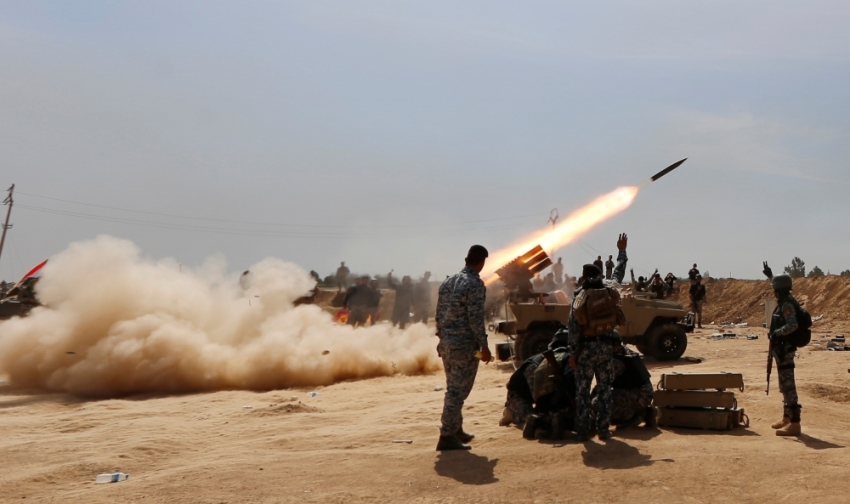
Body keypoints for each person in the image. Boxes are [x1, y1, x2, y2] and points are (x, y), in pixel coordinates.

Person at [568, 233, 628, 442]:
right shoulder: (609, 289)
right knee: (604, 390)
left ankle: (584, 430)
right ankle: (603, 429)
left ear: (583, 277)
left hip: (585, 350)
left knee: (583, 391)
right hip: (605, 348)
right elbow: (619, 271)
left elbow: (573, 326)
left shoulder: (580, 295)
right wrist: (622, 250)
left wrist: (573, 353)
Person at [435, 245, 491, 451]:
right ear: (482, 262)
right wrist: (484, 345)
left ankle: (456, 428)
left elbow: (438, 314)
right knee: (457, 391)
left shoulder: (448, 282)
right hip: (464, 346)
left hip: (448, 344)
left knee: (454, 386)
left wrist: (441, 338)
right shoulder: (474, 284)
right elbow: (475, 318)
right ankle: (447, 435)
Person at [762, 262, 804, 437]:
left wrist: (777, 333)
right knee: (784, 385)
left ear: (779, 290)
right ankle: (786, 418)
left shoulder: (787, 305)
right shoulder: (786, 300)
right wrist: (770, 276)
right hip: (781, 350)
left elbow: (793, 325)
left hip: (785, 350)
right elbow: (779, 284)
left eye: (775, 288)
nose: (773, 291)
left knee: (789, 387)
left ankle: (795, 424)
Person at [603, 344, 656, 428]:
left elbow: (603, 386)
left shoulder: (615, 361)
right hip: (645, 393)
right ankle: (645, 411)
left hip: (638, 394)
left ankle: (633, 417)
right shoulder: (625, 352)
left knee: (601, 401)